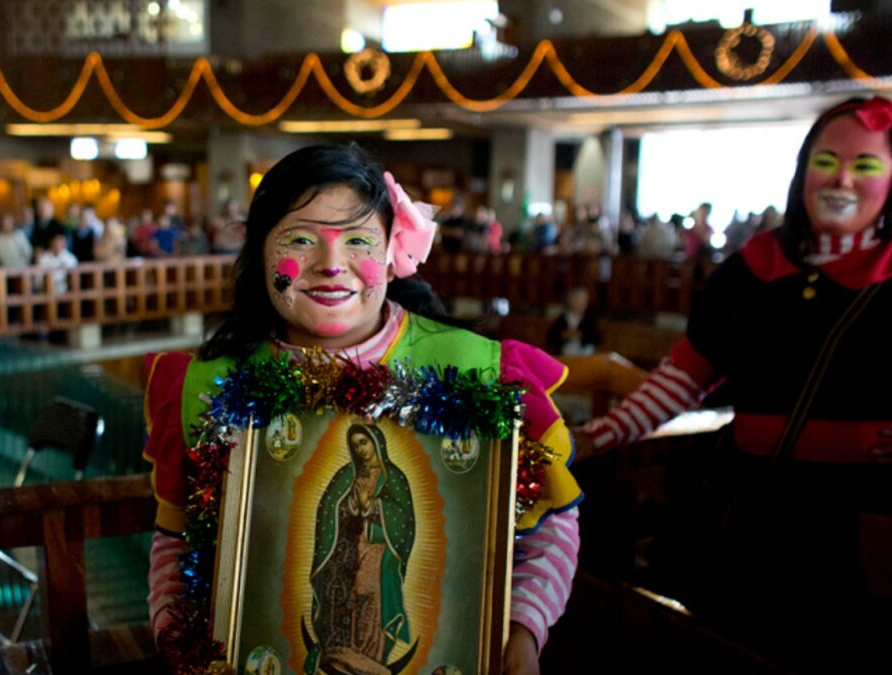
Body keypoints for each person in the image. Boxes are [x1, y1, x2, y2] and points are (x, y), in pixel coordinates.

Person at [143, 145, 582, 674]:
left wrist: (523, 635)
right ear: (259, 252)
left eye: (357, 241)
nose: (331, 265)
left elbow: (549, 528)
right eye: (300, 240)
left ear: (395, 253)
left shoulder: (480, 370)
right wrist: (175, 637)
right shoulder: (207, 385)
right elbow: (176, 542)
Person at [574, 96, 892, 672]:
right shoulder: (753, 266)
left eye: (864, 165)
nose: (841, 179)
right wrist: (596, 437)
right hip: (752, 520)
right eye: (825, 161)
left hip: (866, 535)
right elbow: (684, 377)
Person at [307, 423, 415, 674]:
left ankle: (369, 660)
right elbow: (328, 509)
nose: (361, 450)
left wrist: (373, 507)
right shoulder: (347, 474)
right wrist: (351, 508)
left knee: (369, 597)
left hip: (378, 551)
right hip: (346, 549)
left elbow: (403, 522)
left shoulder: (394, 477)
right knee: (344, 591)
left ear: (376, 442)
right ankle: (342, 652)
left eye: (364, 443)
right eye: (356, 445)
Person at [545, 286, 601, 357]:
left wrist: (581, 335)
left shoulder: (589, 319)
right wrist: (564, 335)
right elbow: (551, 338)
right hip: (565, 356)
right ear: (571, 301)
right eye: (578, 301)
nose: (581, 305)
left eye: (584, 302)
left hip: (585, 357)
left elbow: (597, 338)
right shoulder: (562, 318)